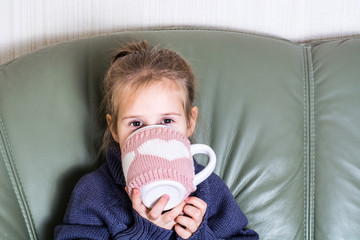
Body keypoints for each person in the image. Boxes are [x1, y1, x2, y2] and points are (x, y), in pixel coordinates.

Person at [55, 41, 259, 239]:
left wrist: (200, 236)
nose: (152, 137)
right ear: (114, 129)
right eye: (136, 124)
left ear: (190, 122)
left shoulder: (207, 188)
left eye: (166, 121)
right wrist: (145, 234)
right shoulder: (94, 192)